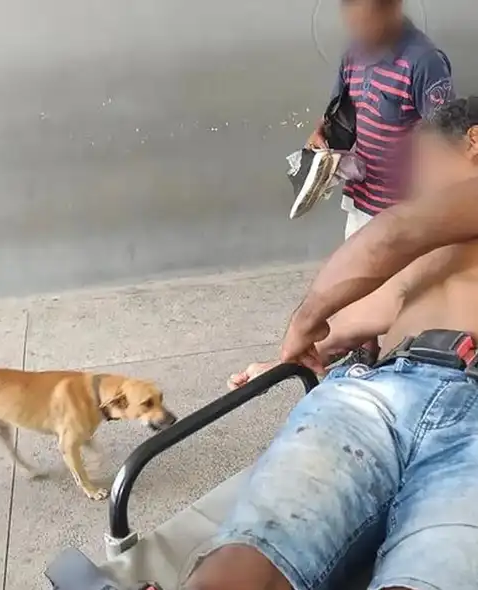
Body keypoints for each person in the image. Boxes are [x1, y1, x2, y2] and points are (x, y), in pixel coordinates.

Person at [186, 97, 478, 590]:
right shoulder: (435, 251)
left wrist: (304, 321)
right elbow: (371, 310)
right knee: (248, 556)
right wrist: (295, 358)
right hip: (380, 389)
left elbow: (392, 234)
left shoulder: (424, 224)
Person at [306, 0, 454, 367]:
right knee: (357, 283)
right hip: (361, 197)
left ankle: (398, 360)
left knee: (398, 294)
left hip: (402, 209)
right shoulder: (353, 55)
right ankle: (364, 350)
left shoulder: (424, 62)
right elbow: (339, 112)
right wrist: (320, 136)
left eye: (367, 11)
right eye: (350, 10)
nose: (356, 20)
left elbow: (444, 139)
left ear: (392, 7)